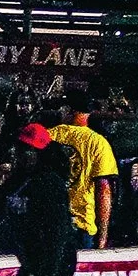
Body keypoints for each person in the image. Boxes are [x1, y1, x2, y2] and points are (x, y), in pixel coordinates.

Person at [8, 122, 80, 276]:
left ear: (38, 154)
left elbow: (56, 236)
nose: (17, 154)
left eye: (24, 150)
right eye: (17, 149)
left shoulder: (50, 184)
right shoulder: (20, 178)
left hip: (54, 262)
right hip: (33, 261)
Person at [45, 88, 118, 249]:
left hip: (48, 221)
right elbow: (103, 190)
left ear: (68, 110)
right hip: (81, 224)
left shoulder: (48, 136)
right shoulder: (99, 143)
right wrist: (103, 235)